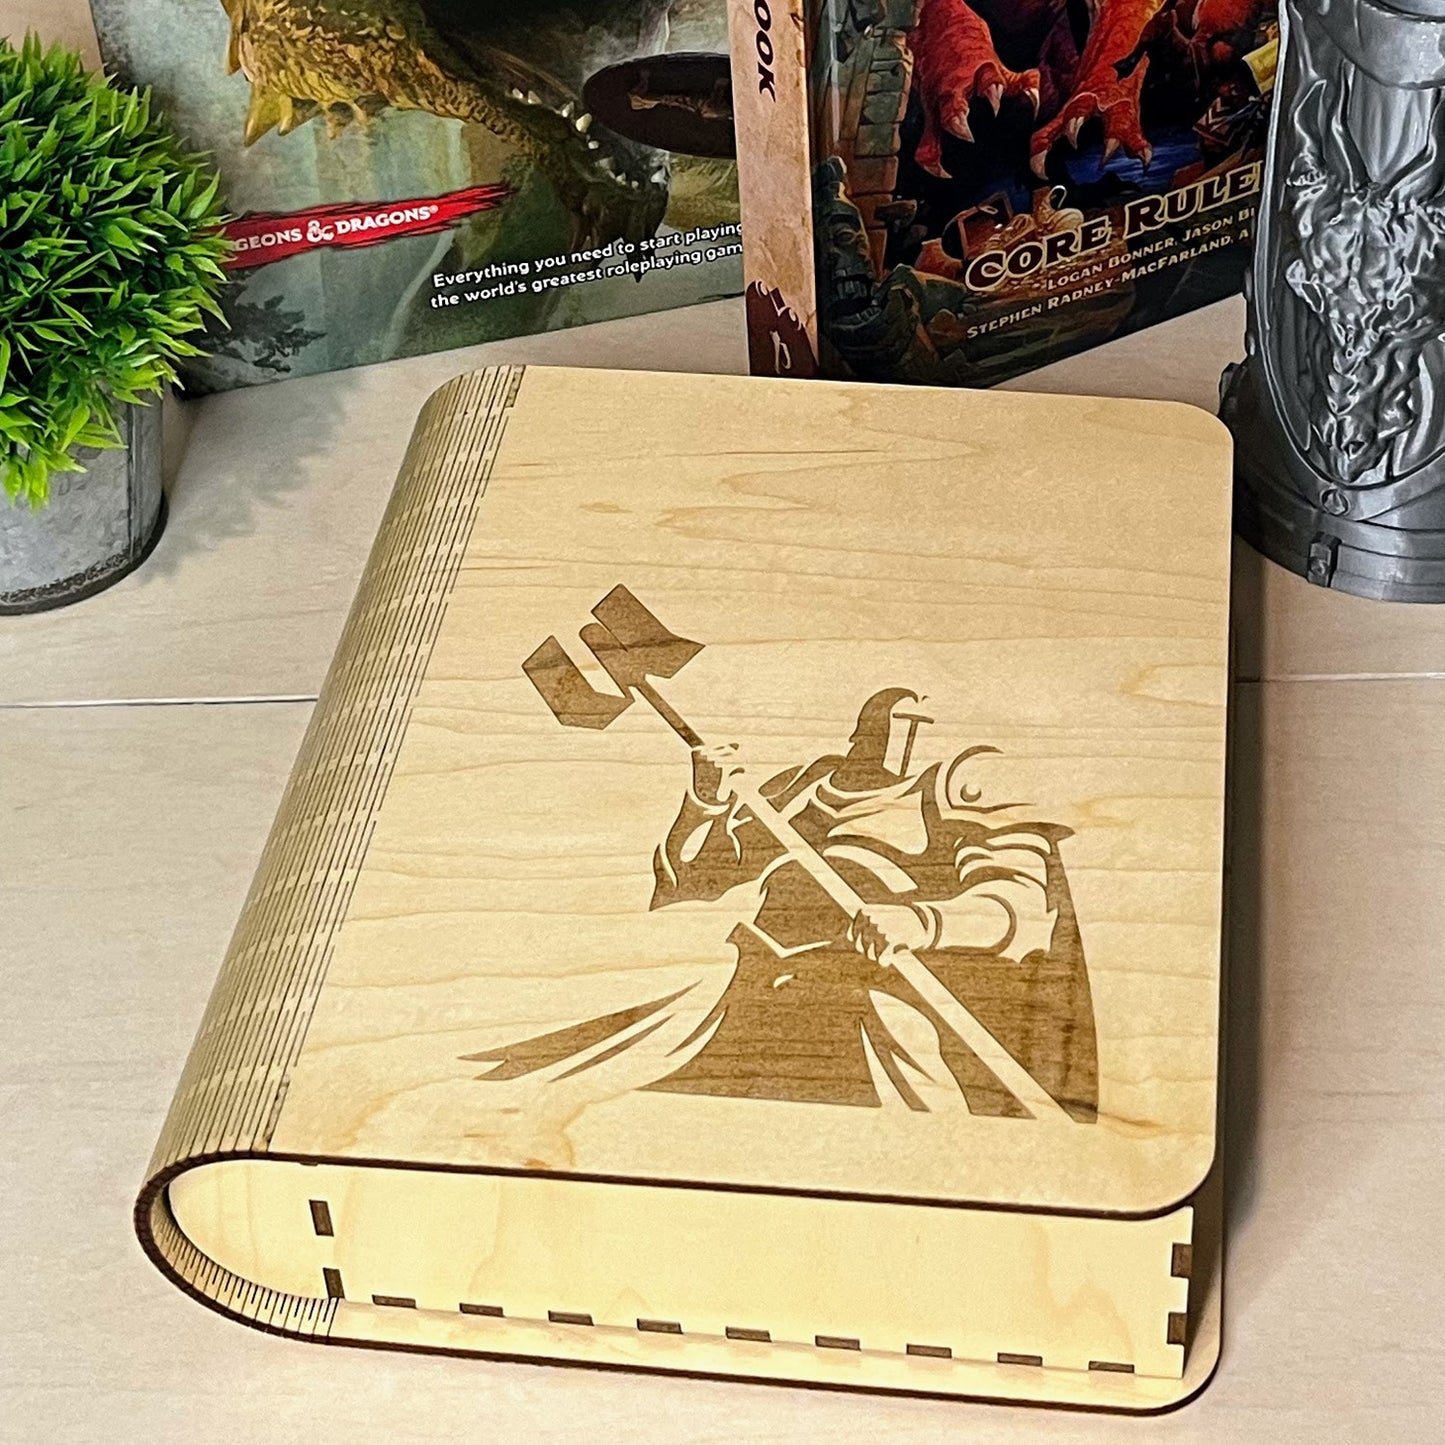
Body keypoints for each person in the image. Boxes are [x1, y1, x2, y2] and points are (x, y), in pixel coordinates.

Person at [471, 688, 1097, 1118]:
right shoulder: (804, 784)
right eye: (884, 723)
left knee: (923, 1123)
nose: (892, 737)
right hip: (745, 983)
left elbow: (1019, 907)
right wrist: (705, 804)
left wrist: (920, 920)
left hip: (876, 995)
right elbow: (692, 882)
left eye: (911, 726)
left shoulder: (960, 785)